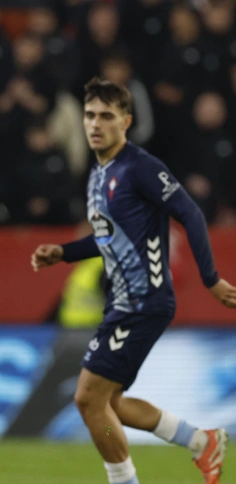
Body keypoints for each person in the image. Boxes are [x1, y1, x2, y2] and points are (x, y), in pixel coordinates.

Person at [31, 77, 235, 484]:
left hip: (144, 300)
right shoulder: (97, 174)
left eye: (106, 116)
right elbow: (110, 238)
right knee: (111, 404)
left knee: (88, 400)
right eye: (90, 115)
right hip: (124, 303)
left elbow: (190, 214)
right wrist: (65, 253)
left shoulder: (139, 167)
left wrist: (210, 279)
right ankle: (202, 442)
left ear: (125, 121)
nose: (94, 123)